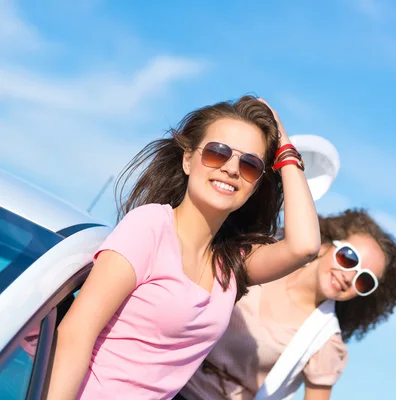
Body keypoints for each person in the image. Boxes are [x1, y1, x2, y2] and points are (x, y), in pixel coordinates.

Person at [46, 96, 321, 400]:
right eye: (218, 153)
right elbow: (76, 334)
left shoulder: (230, 265)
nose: (231, 169)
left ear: (255, 185)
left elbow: (305, 246)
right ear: (188, 160)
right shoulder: (150, 228)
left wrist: (284, 146)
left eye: (250, 164)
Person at [176, 209, 396, 400]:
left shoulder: (326, 343)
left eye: (364, 280)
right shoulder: (264, 257)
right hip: (162, 375)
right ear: (326, 246)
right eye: (349, 258)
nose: (349, 276)